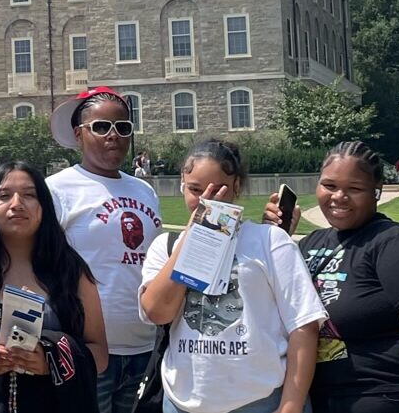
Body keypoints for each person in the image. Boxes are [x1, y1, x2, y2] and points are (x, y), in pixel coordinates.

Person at [264, 142, 399, 413]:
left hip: (390, 396)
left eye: (354, 189)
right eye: (329, 185)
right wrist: (275, 242)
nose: (339, 197)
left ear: (376, 192)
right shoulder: (309, 245)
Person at [139, 140, 325, 413]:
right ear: (182, 184)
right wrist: (195, 236)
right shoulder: (166, 246)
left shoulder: (270, 241)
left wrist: (291, 406)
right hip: (184, 402)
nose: (206, 199)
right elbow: (158, 312)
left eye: (218, 189)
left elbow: (304, 326)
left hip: (259, 401)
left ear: (237, 186)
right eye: (195, 189)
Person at [45, 87, 164, 413]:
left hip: (144, 346)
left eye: (123, 127)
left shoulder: (144, 190)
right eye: (101, 127)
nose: (113, 135)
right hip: (89, 349)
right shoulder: (57, 189)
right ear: (78, 134)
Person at [0, 160, 107, 413]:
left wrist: (52, 360)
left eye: (29, 195)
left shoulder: (70, 269)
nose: (17, 203)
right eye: (4, 196)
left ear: (44, 206)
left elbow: (100, 353)